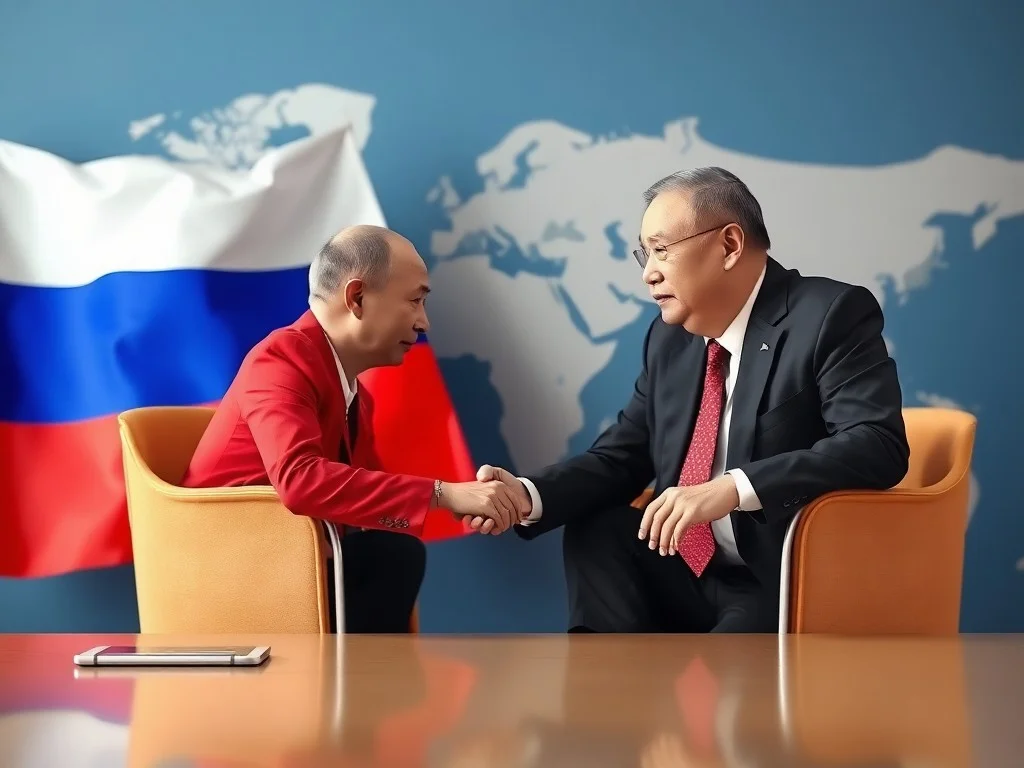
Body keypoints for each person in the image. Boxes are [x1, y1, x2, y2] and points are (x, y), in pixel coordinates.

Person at [473, 167, 910, 633]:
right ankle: (601, 679)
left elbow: (876, 443)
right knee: (599, 529)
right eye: (645, 254)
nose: (648, 273)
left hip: (773, 578)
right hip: (682, 567)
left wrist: (733, 488)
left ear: (729, 245)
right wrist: (526, 495)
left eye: (661, 250)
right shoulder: (670, 339)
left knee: (725, 671)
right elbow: (623, 457)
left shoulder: (828, 315)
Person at [181, 224, 527, 633]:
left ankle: (370, 676)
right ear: (357, 298)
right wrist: (445, 493)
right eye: (415, 301)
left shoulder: (356, 396)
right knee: (392, 555)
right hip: (233, 573)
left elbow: (370, 505)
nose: (424, 323)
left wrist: (472, 504)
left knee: (393, 551)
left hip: (296, 563)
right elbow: (300, 481)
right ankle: (367, 677)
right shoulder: (279, 361)